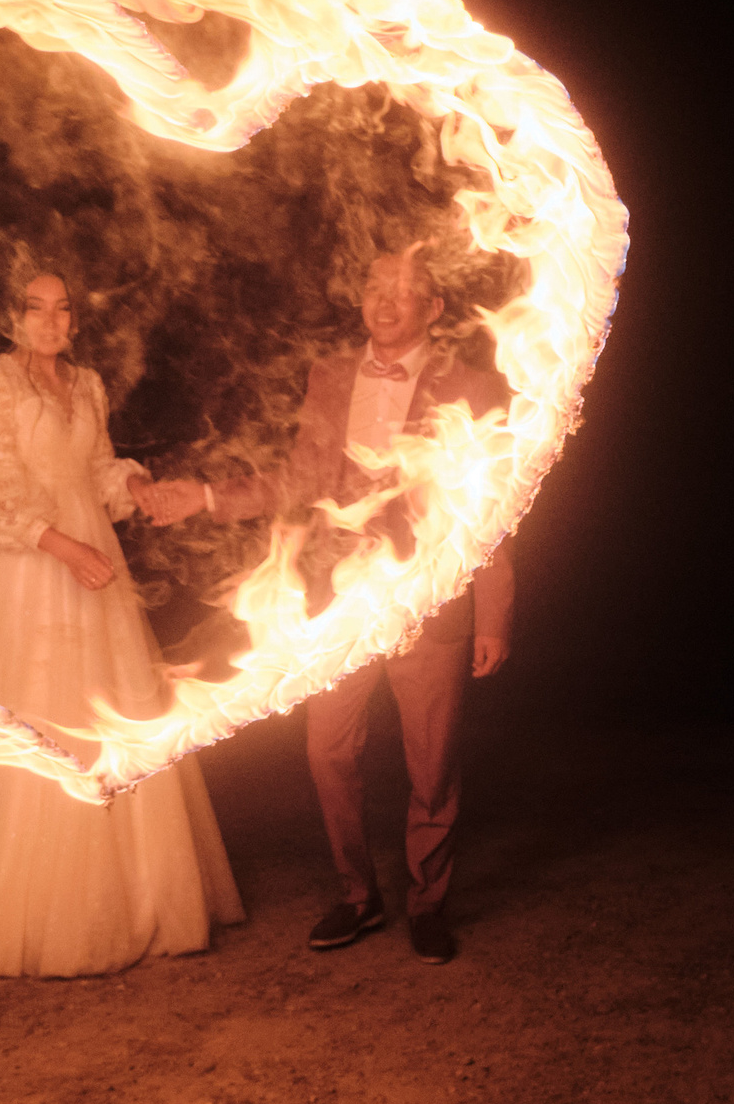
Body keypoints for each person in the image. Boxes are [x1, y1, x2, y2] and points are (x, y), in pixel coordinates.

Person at [144, 244, 512, 966]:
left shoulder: (471, 387)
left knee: (431, 766)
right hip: (337, 599)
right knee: (327, 751)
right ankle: (357, 893)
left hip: (425, 601)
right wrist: (209, 496)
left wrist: (494, 611)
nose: (386, 299)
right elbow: (296, 477)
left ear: (433, 308)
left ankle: (428, 903)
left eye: (406, 290)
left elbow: (490, 509)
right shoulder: (332, 376)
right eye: (377, 284)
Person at [0, 266, 244, 977]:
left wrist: (135, 486)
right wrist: (62, 544)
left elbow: (99, 468)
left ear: (73, 321)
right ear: (11, 318)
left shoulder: (85, 385)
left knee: (104, 710)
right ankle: (14, 914)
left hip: (92, 560)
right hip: (24, 564)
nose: (51, 321)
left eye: (62, 309)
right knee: (36, 712)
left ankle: (130, 900)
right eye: (35, 308)